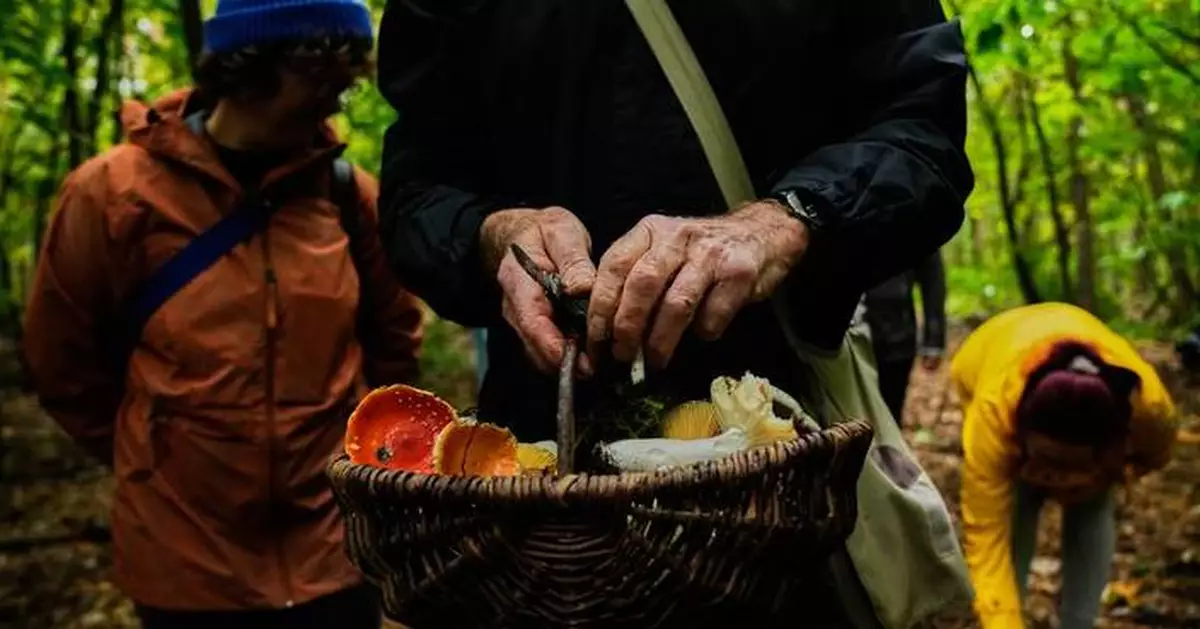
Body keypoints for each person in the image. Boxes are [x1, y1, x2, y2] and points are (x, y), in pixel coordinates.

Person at [375, 0, 973, 624]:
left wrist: (789, 219)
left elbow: (923, 126)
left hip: (783, 480)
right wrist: (489, 234)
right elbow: (417, 189)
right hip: (540, 500)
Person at [21, 0, 425, 627]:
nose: (331, 101)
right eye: (319, 79)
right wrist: (154, 451)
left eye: (343, 83)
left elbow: (394, 342)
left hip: (336, 552)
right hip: (184, 561)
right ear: (251, 69)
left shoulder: (347, 195)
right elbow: (63, 363)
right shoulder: (111, 196)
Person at [950, 303, 1178, 629]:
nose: (1055, 478)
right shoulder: (993, 415)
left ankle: (1079, 622)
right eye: (1047, 460)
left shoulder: (1149, 409)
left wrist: (1109, 475)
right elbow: (987, 539)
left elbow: (1155, 456)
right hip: (989, 351)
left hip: (1096, 448)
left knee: (1092, 505)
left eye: (1068, 464)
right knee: (1016, 508)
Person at [863, 250, 947, 422]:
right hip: (841, 334)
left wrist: (934, 339)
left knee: (889, 413)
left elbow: (933, 279)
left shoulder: (918, 225)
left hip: (895, 335)